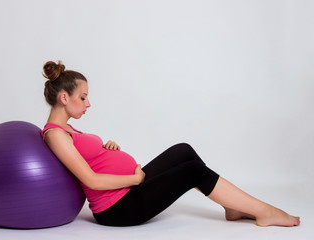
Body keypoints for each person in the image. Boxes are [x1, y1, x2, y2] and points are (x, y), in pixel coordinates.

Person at [41, 60, 300, 227]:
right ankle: (265, 211)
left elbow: (89, 159)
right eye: (83, 97)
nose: (88, 104)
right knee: (191, 172)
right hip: (118, 209)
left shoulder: (67, 129)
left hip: (127, 192)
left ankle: (231, 207)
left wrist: (104, 149)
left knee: (182, 150)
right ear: (64, 97)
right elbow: (92, 180)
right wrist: (135, 179)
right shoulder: (55, 134)